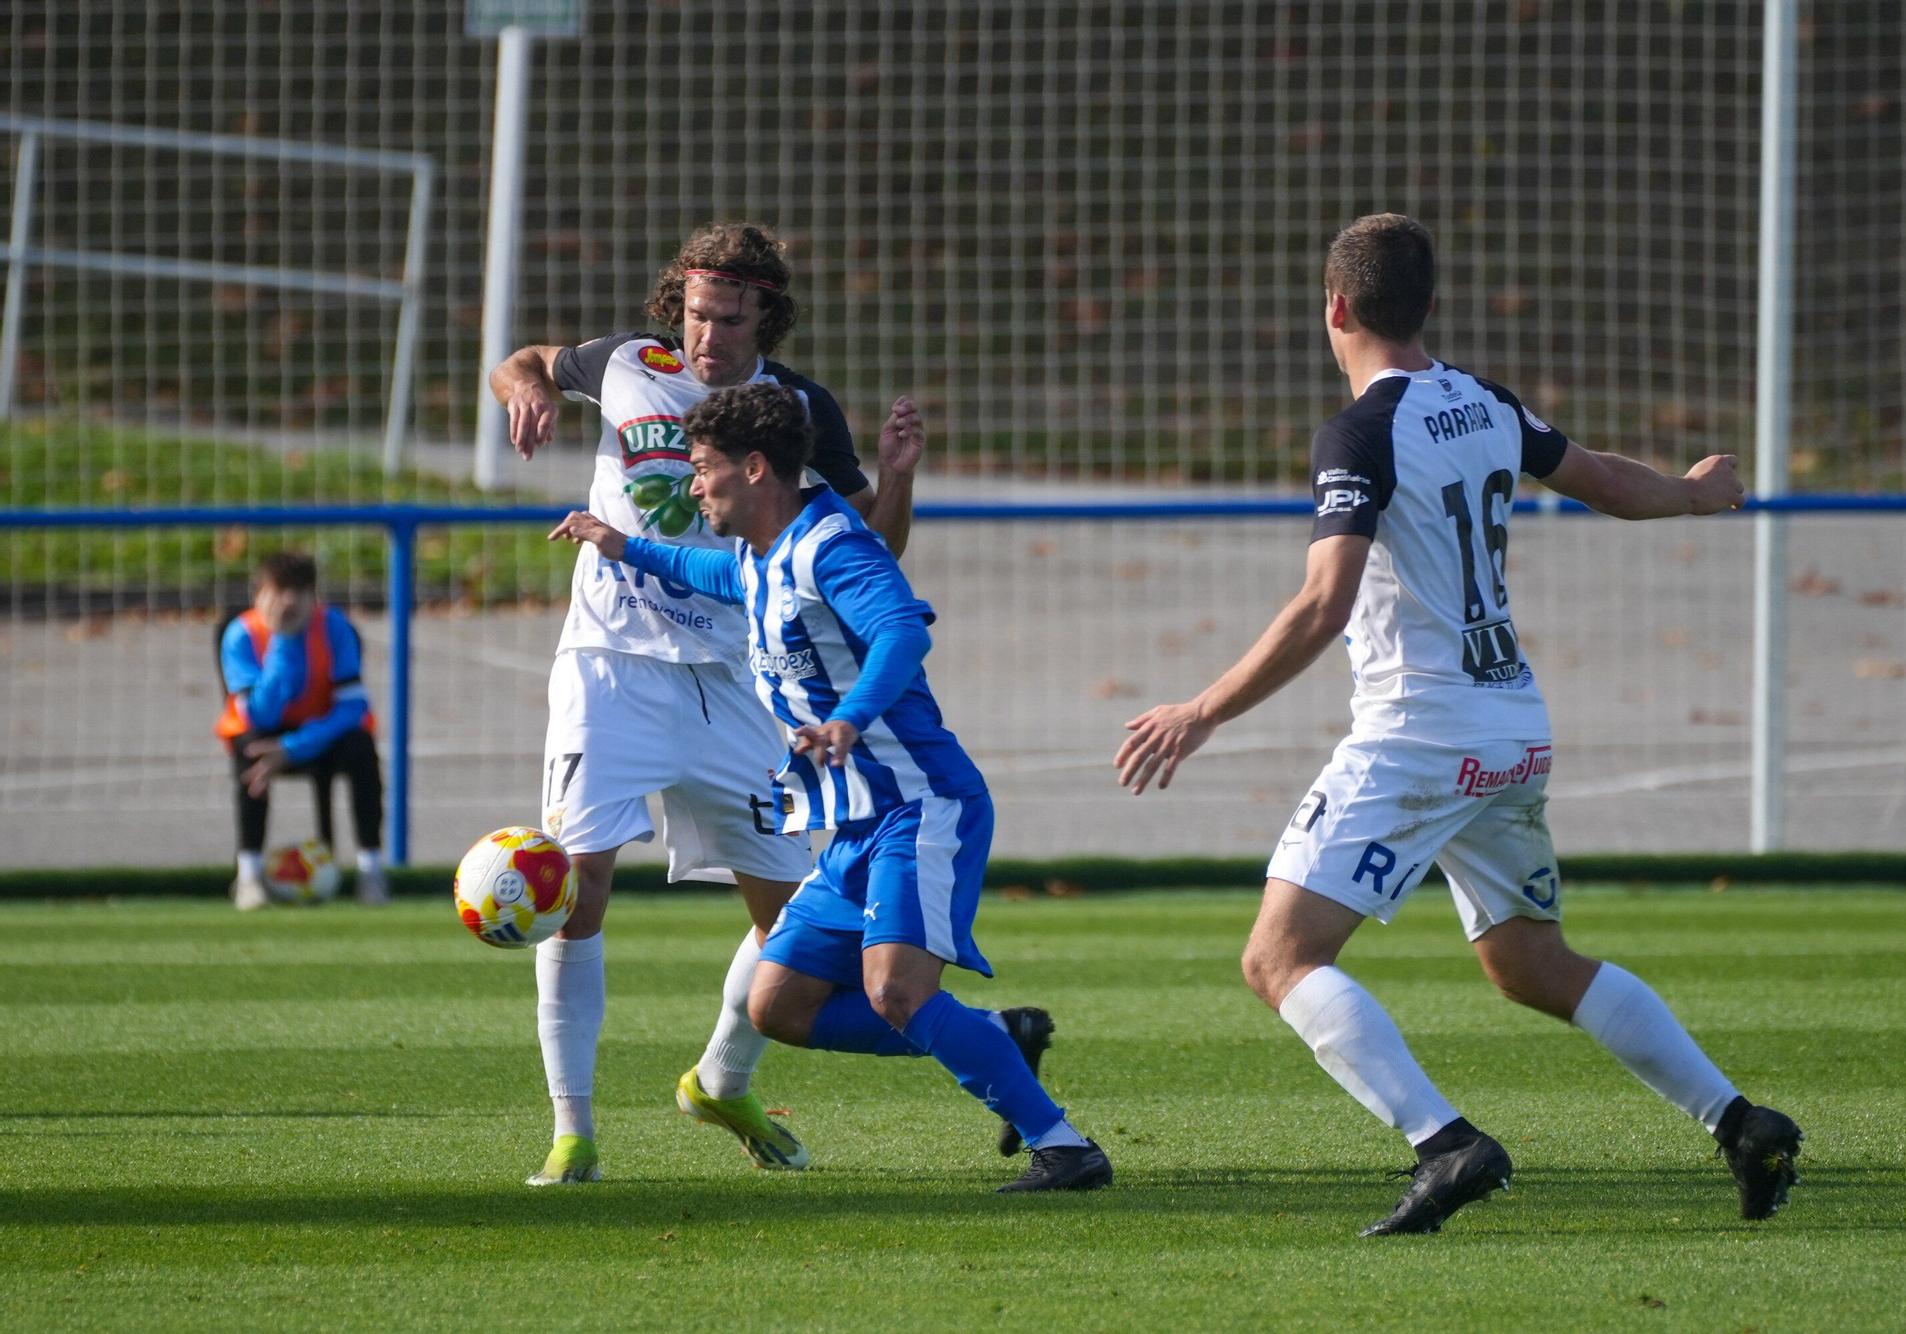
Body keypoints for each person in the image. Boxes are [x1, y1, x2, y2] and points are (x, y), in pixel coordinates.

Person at [1115, 213, 1802, 1235]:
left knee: (1278, 956)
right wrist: (1698, 496)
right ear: (1424, 305)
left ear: (1334, 307)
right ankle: (1741, 1122)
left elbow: (1321, 603)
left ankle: (1445, 1145)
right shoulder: (1479, 402)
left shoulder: (1357, 432)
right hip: (1509, 725)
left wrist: (1200, 708)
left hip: (1417, 734)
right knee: (1529, 962)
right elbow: (1603, 479)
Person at [550, 384, 1111, 1193]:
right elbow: (701, 568)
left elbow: (901, 629)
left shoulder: (831, 548)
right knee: (777, 1006)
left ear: (753, 468)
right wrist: (617, 543)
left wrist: (847, 719)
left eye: (703, 469)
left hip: (922, 807)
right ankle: (992, 1037)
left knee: (895, 991)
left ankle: (1063, 1147)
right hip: (854, 827)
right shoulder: (758, 554)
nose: (692, 485)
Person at [488, 222, 919, 1187]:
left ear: (766, 313)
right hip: (611, 666)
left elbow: (872, 550)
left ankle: (720, 1081)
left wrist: (896, 480)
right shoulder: (627, 365)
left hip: (734, 681)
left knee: (795, 929)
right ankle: (573, 1133)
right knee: (579, 889)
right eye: (694, 314)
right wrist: (522, 387)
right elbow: (521, 360)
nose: (706, 336)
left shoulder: (798, 408)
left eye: (728, 318)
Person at [215, 550, 387, 910]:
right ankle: (248, 876)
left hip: (320, 732)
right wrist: (284, 642)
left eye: (300, 591)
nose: (289, 601)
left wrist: (294, 748)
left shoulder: (335, 627)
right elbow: (259, 717)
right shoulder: (240, 635)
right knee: (252, 752)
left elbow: (353, 708)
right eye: (278, 591)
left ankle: (371, 870)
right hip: (263, 735)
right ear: (258, 595)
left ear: (314, 597)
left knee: (361, 747)